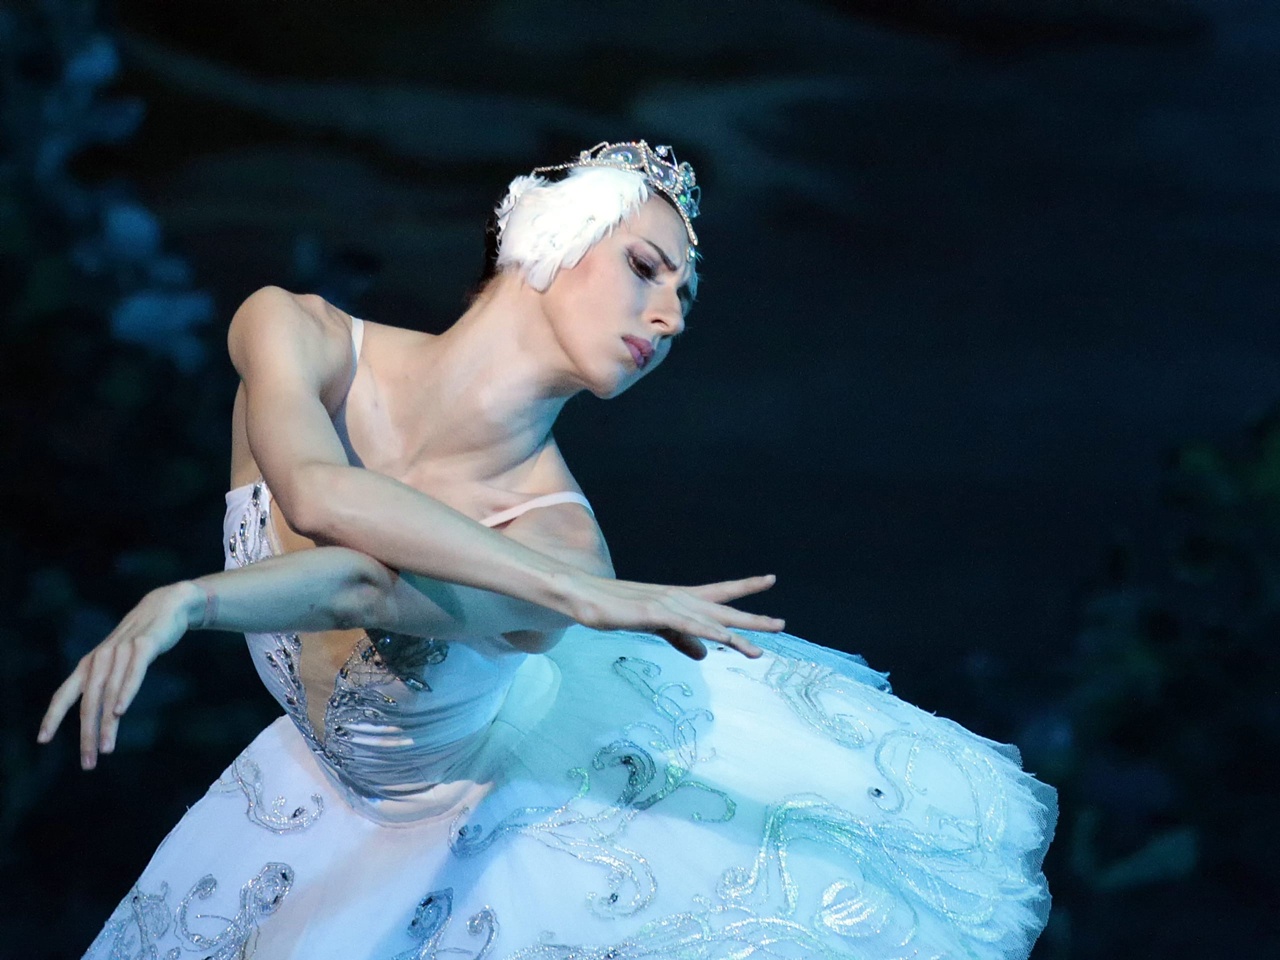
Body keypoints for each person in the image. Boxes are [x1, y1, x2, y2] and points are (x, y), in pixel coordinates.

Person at [40, 141, 1056, 959]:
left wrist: (574, 592)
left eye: (685, 300)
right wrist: (185, 599)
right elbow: (317, 495)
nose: (668, 317)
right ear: (550, 237)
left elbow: (363, 587)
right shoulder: (296, 332)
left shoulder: (562, 540)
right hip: (303, 817)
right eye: (646, 268)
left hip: (482, 840)